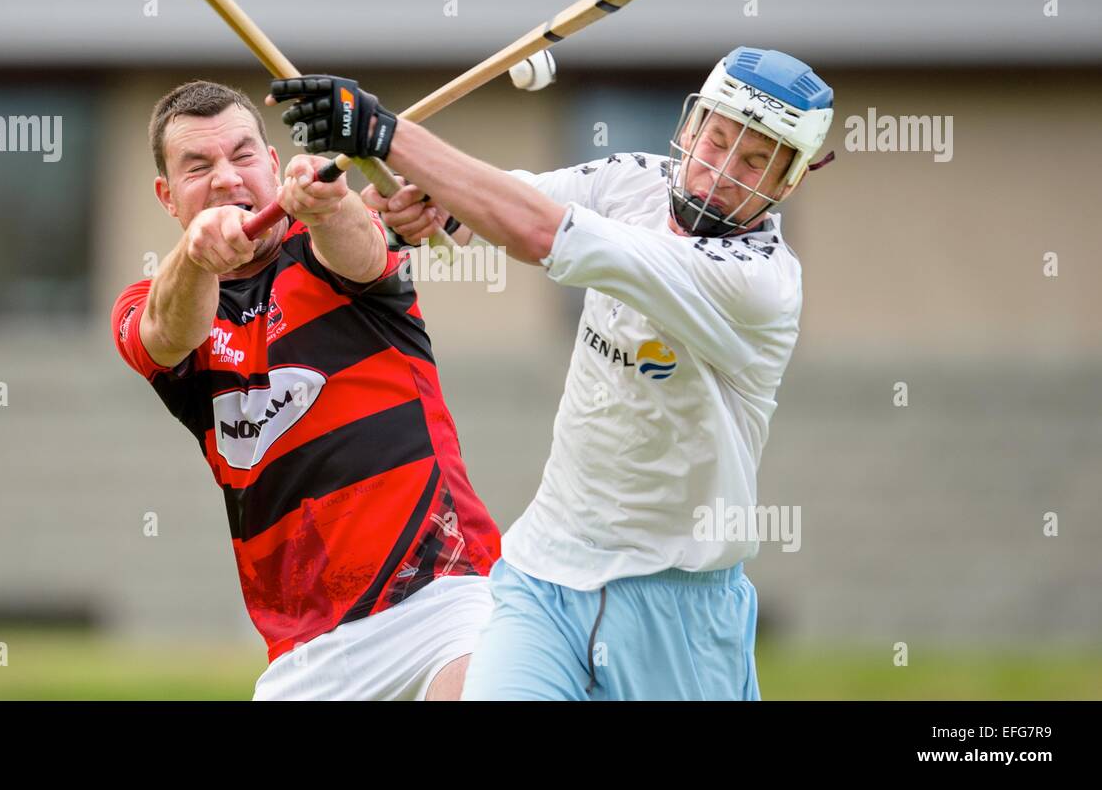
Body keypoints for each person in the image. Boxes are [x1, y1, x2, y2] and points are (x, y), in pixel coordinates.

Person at [265, 47, 835, 699]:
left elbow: (541, 231)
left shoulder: (757, 284)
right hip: (545, 577)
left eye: (755, 160)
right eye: (718, 139)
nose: (720, 171)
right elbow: (510, 202)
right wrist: (431, 204)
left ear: (790, 178)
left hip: (676, 608)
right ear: (694, 123)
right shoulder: (635, 181)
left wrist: (382, 132)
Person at [111, 80, 500, 700]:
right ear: (167, 197)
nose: (225, 179)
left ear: (271, 165)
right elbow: (165, 331)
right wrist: (196, 255)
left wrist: (327, 205)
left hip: (444, 596)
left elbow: (360, 245)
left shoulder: (326, 246)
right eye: (198, 167)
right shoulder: (154, 301)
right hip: (306, 651)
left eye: (242, 157)